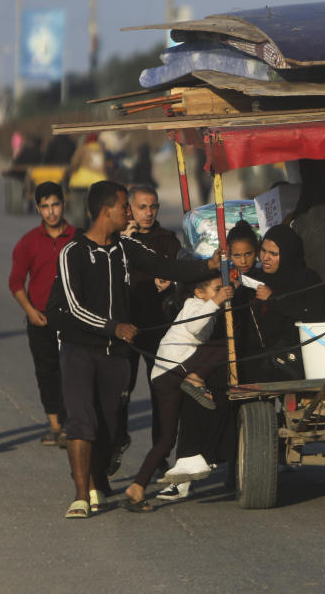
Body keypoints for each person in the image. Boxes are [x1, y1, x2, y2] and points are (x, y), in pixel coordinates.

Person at [51, 180, 222, 519]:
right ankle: (81, 494)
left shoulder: (126, 247)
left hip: (117, 354)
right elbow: (73, 307)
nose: (130, 212)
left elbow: (166, 267)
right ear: (106, 211)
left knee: (111, 427)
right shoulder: (72, 252)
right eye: (125, 206)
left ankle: (98, 481)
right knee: (82, 420)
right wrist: (115, 326)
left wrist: (208, 266)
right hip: (80, 349)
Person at [161, 220, 261, 500]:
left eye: (248, 255)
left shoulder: (260, 280)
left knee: (238, 411)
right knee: (195, 406)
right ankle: (182, 477)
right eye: (237, 255)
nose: (243, 261)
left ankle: (237, 469)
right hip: (215, 355)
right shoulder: (219, 278)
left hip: (249, 356)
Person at [123, 274, 234, 512]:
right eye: (216, 289)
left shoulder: (209, 310)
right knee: (226, 346)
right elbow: (195, 326)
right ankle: (196, 378)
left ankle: (137, 486)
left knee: (166, 440)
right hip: (175, 367)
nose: (221, 292)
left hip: (164, 377)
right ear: (199, 292)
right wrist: (217, 302)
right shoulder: (194, 306)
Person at [111, 184, 182, 476]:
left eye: (153, 207)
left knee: (160, 390)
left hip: (157, 326)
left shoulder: (166, 240)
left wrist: (171, 281)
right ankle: (116, 443)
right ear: (130, 209)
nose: (148, 213)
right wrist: (123, 239)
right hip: (125, 326)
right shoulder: (117, 240)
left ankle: (160, 451)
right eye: (142, 207)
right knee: (119, 391)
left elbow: (182, 270)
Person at [9, 181, 76, 447]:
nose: (51, 212)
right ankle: (55, 425)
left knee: (73, 371)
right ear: (37, 208)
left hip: (72, 318)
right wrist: (30, 311)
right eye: (45, 207)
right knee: (46, 371)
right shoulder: (28, 242)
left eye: (55, 205)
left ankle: (74, 423)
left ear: (64, 204)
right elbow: (15, 281)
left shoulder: (78, 237)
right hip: (40, 317)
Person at [244, 224, 325, 382]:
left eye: (273, 253)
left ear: (288, 254)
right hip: (260, 358)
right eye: (263, 251)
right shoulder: (259, 278)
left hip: (297, 360)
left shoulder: (306, 279)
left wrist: (273, 300)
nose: (265, 258)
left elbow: (317, 313)